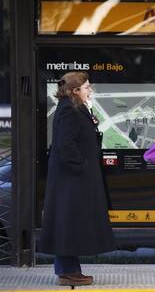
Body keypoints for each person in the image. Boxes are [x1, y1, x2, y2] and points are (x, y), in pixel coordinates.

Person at [39, 71, 115, 286]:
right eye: (87, 87)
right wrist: (82, 166)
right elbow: (66, 145)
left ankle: (71, 269)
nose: (90, 90)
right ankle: (66, 272)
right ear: (75, 90)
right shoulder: (68, 111)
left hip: (73, 179)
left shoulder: (75, 108)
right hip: (71, 180)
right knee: (66, 223)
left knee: (69, 224)